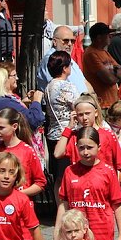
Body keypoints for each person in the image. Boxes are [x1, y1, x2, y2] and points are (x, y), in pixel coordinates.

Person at [0, 64, 44, 154]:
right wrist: (36, 101)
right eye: (13, 76)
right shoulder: (7, 103)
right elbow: (34, 120)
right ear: (3, 81)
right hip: (7, 155)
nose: (16, 78)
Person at [44, 50, 78, 187]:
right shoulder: (66, 86)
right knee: (67, 174)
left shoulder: (49, 85)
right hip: (67, 134)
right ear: (64, 68)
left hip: (53, 133)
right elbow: (79, 105)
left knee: (58, 176)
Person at [37, 26, 91, 95]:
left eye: (72, 41)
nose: (69, 44)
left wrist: (94, 99)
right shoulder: (51, 60)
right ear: (55, 42)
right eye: (66, 41)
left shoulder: (69, 59)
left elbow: (85, 82)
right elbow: (58, 91)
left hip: (85, 101)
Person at [82, 22, 121, 109]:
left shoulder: (104, 52)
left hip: (112, 102)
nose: (110, 36)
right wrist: (115, 75)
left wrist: (114, 75)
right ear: (99, 38)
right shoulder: (91, 53)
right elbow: (109, 79)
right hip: (102, 105)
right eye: (108, 34)